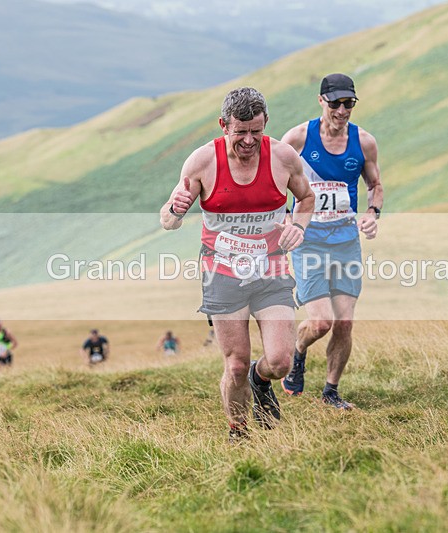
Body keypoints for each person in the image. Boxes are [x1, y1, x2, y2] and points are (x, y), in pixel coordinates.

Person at [161, 86, 314, 440]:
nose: (248, 141)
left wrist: (299, 228)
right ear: (223, 125)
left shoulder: (283, 158)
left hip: (271, 268)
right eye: (240, 132)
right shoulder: (201, 162)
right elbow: (167, 220)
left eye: (256, 132)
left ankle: (262, 383)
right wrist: (175, 209)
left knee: (280, 361)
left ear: (266, 125)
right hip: (222, 273)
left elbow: (306, 199)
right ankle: (239, 431)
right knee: (236, 364)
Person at [280, 73, 384, 410]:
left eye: (349, 103)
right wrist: (286, 219)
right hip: (308, 241)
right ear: (321, 101)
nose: (343, 110)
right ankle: (298, 351)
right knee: (321, 322)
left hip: (346, 240)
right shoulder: (297, 138)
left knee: (344, 322)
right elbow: (276, 181)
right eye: (336, 103)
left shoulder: (364, 142)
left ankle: (330, 391)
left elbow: (375, 185)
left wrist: (372, 212)